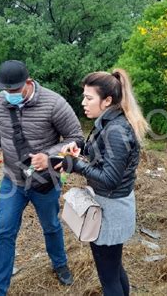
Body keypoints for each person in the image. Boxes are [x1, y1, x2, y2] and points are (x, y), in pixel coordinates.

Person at [0, 60, 84, 296]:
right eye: (6, 90)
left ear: (28, 83)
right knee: (4, 231)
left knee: (51, 226)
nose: (10, 95)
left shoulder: (54, 103)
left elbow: (76, 138)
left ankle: (60, 263)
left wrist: (49, 156)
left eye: (15, 90)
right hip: (12, 180)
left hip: (45, 181)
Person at [61, 69, 148, 296]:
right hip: (109, 203)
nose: (83, 103)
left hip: (111, 209)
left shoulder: (117, 131)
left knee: (108, 277)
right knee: (114, 269)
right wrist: (80, 149)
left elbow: (109, 179)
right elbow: (100, 153)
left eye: (89, 98)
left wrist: (76, 165)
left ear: (107, 100)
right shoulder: (109, 122)